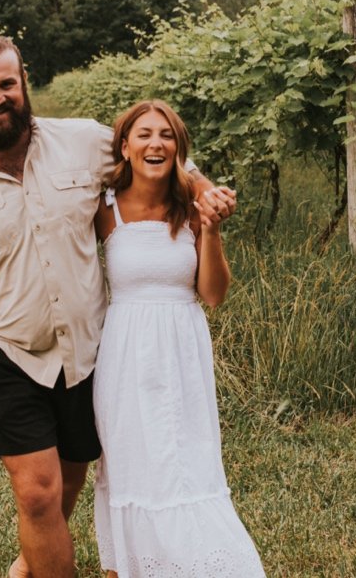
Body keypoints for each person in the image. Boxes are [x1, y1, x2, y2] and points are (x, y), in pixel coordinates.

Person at [0, 34, 236, 578]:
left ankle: (27, 568)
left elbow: (153, 149)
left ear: (23, 83)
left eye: (6, 83)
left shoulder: (81, 141)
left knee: (70, 483)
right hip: (5, 354)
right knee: (37, 493)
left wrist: (202, 188)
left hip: (88, 354)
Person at [92, 99, 264, 577]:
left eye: (166, 135)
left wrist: (210, 230)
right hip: (124, 351)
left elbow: (213, 294)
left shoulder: (192, 209)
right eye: (144, 134)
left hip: (182, 347)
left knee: (185, 462)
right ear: (125, 147)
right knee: (128, 461)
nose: (156, 143)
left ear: (180, 150)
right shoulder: (104, 210)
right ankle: (127, 567)